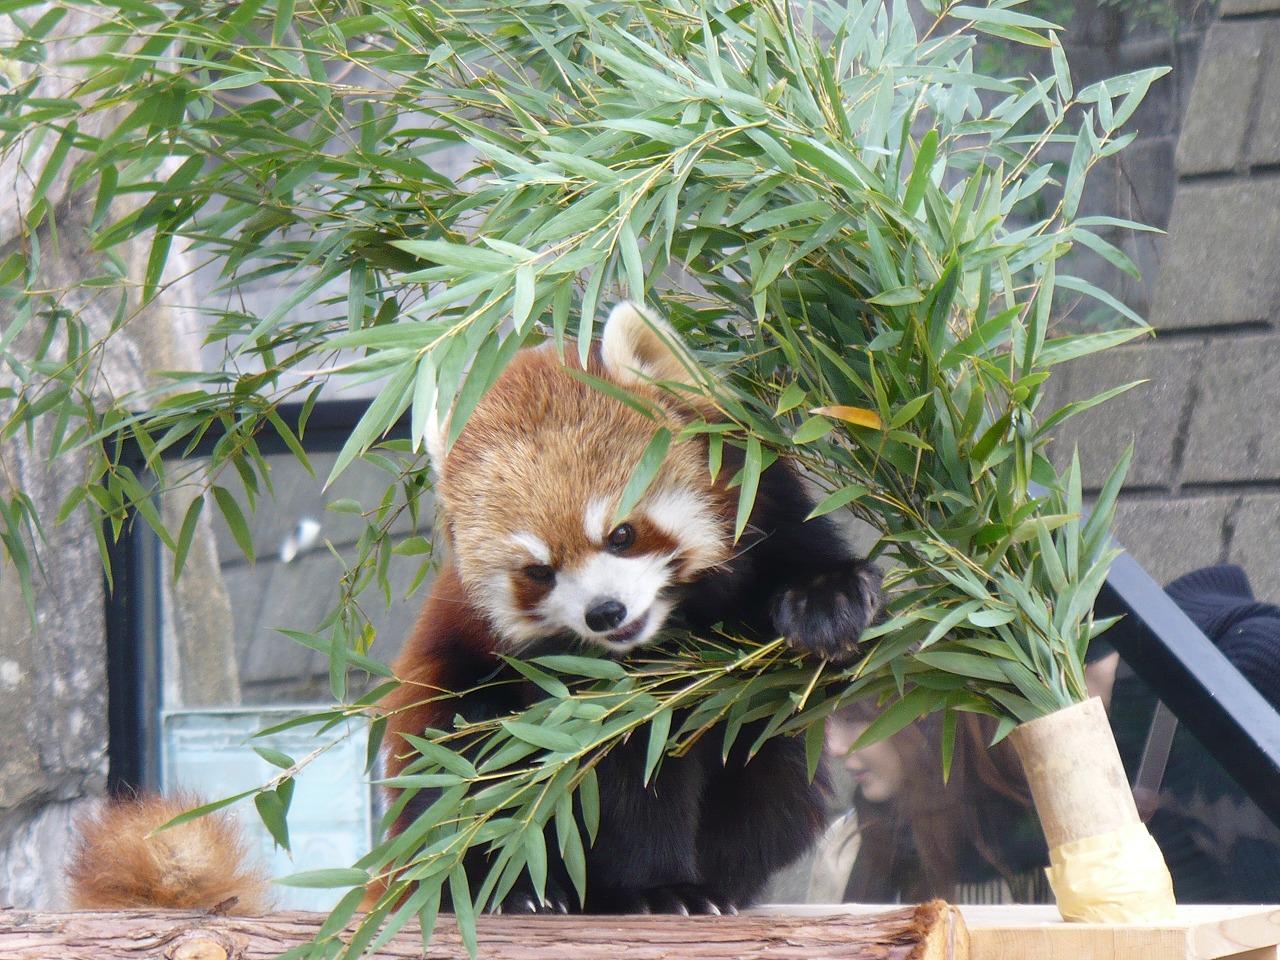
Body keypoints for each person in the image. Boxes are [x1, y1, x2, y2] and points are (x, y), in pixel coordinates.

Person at [821, 703, 1051, 905]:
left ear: (926, 718)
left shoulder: (1048, 840)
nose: (833, 747)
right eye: (827, 722)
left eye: (853, 719)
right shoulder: (844, 845)